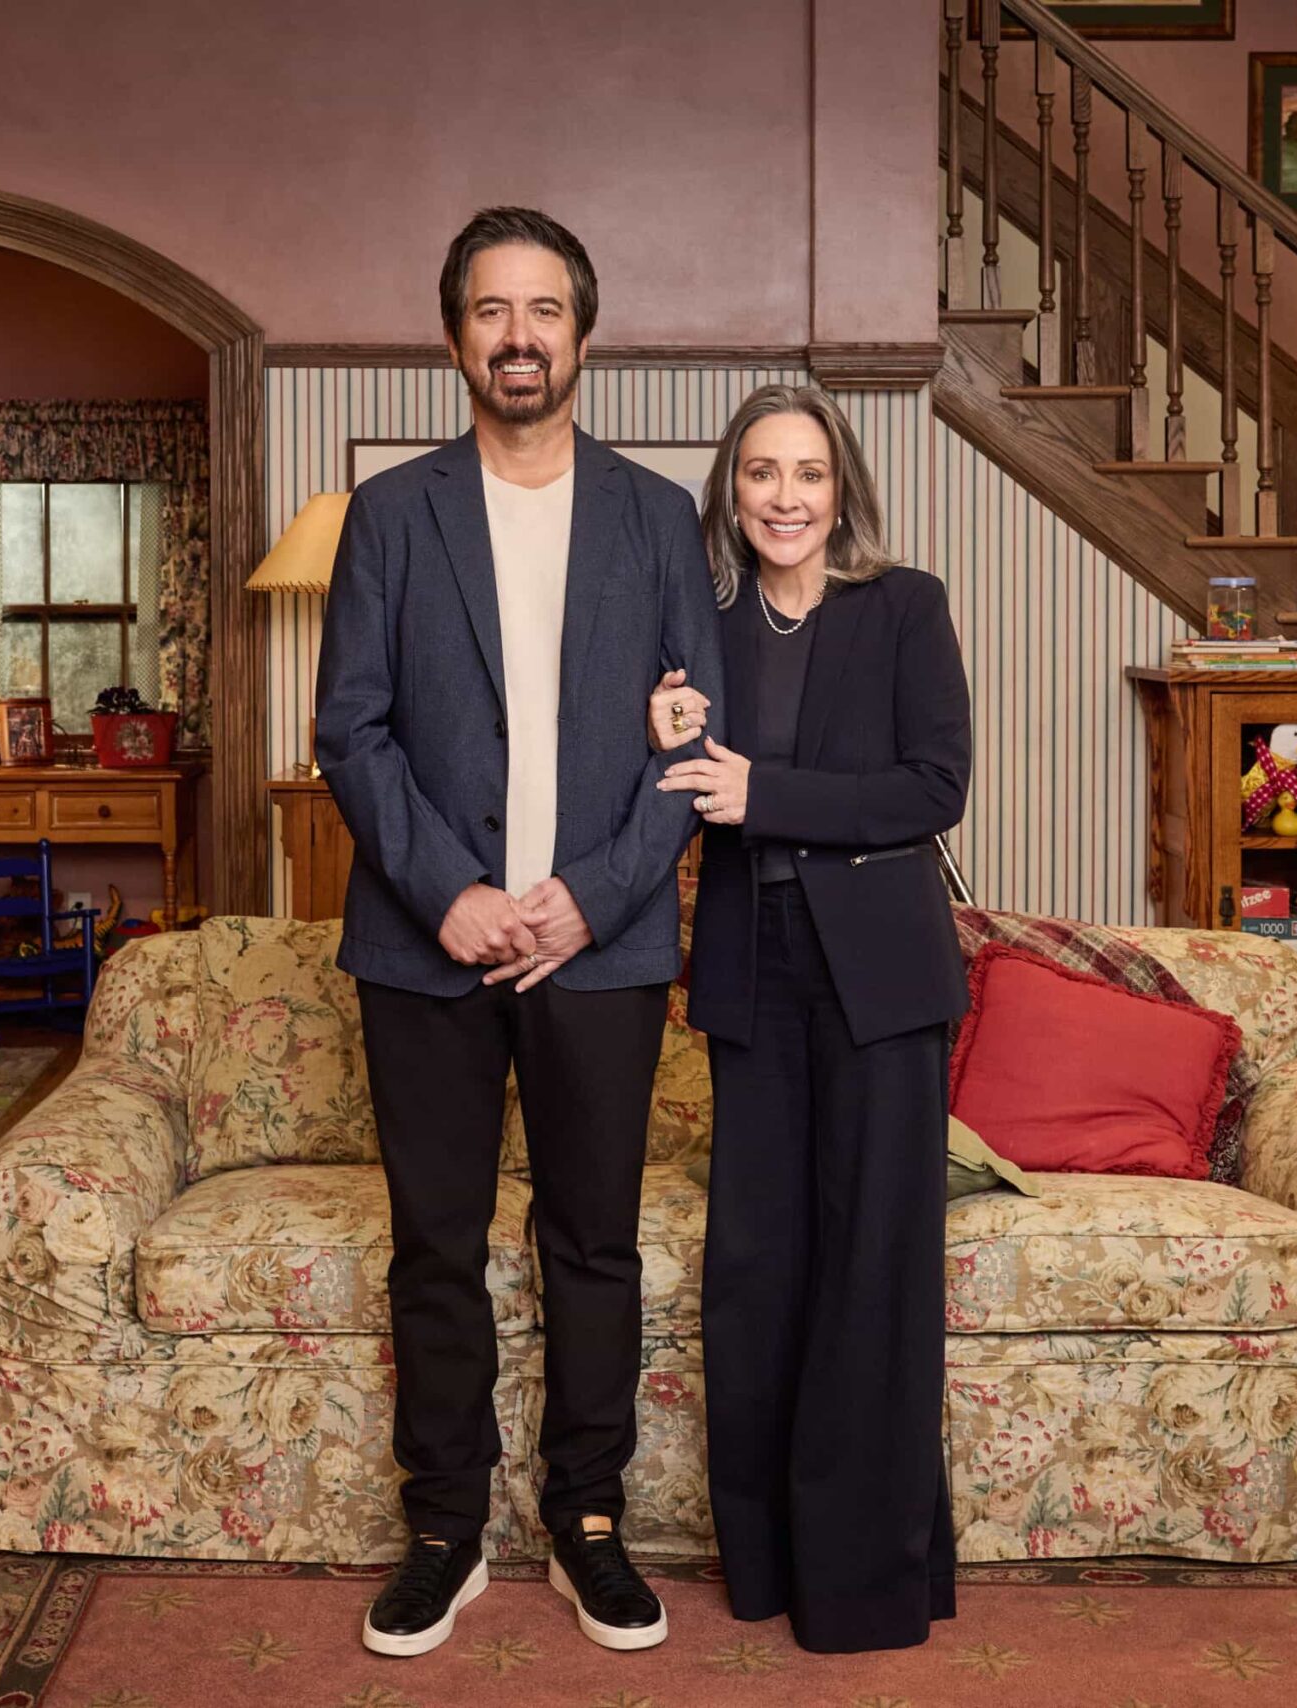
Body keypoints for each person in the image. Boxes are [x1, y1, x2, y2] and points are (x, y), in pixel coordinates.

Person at [314, 206, 723, 1660]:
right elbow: (351, 731)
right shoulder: (390, 513)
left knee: (590, 1243)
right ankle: (445, 1531)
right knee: (434, 1244)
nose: (519, 336)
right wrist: (452, 893)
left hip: (600, 946)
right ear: (454, 339)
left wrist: (592, 895)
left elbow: (695, 743)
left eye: (543, 309)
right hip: (425, 945)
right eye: (491, 310)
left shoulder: (657, 518)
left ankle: (587, 1521)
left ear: (583, 335)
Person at [645, 384, 971, 1653]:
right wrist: (658, 735)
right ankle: (768, 1566)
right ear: (731, 490)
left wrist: (767, 792)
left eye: (809, 473)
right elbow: (663, 787)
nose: (785, 496)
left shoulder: (904, 605)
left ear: (843, 491)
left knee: (873, 1268)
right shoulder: (703, 621)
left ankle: (870, 1583)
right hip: (753, 968)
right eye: (762, 472)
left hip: (880, 978)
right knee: (756, 1274)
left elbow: (932, 786)